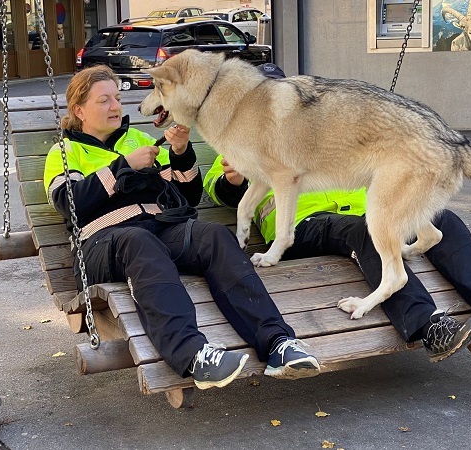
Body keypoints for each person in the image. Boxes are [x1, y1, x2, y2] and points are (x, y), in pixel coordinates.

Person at [204, 64, 471, 363]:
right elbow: (219, 190)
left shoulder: (314, 129)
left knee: (444, 222)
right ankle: (430, 327)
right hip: (308, 227)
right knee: (364, 233)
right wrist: (233, 176)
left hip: (365, 215)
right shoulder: (241, 149)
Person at [43, 65, 320, 389]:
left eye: (117, 98)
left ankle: (278, 344)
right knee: (138, 241)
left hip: (160, 228)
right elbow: (69, 202)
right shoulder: (65, 151)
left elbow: (186, 194)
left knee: (215, 236)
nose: (116, 106)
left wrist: (180, 152)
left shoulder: (140, 139)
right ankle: (193, 355)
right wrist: (123, 167)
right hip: (104, 243)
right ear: (79, 110)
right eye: (104, 101)